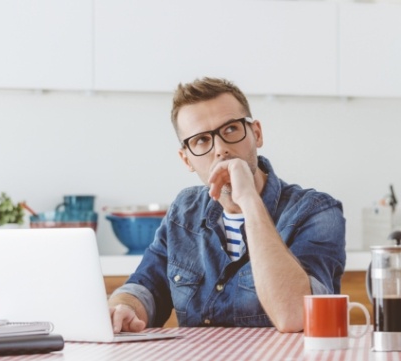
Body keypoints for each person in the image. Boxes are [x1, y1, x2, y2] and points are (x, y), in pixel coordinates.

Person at [108, 77, 345, 333]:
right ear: (186, 159)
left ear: (256, 133)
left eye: (231, 129)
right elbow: (146, 286)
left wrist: (249, 202)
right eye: (201, 140)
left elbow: (296, 315)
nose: (220, 149)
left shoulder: (317, 211)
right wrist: (124, 308)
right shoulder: (183, 211)